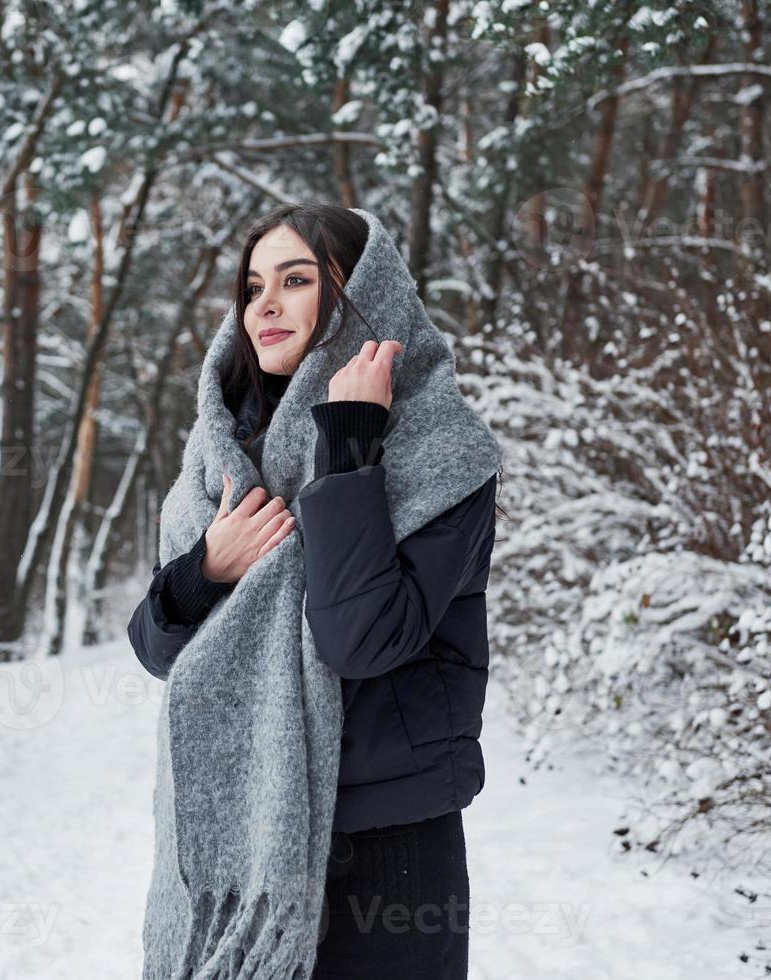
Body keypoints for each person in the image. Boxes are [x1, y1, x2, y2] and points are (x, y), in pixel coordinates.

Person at [127, 203, 503, 979]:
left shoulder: (441, 449)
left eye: (295, 281)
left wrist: (349, 443)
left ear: (366, 296)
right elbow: (157, 648)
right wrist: (206, 571)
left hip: (385, 841)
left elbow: (358, 638)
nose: (262, 305)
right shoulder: (221, 452)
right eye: (252, 286)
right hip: (235, 834)